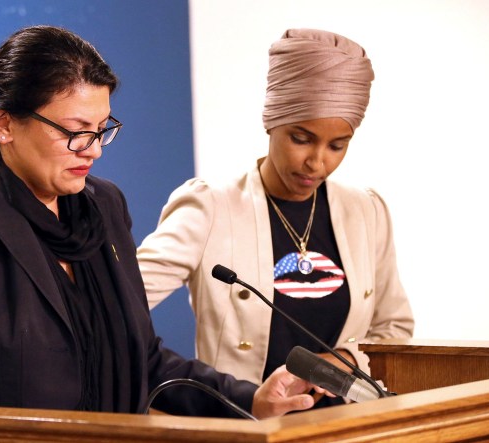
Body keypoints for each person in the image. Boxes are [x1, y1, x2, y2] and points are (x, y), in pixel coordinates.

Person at [0, 25, 324, 443]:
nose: (94, 150)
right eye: (75, 131)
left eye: (102, 130)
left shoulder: (104, 206)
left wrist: (251, 402)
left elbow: (142, 360)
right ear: (4, 124)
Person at [137, 29, 415, 407]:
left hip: (349, 422)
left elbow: (393, 327)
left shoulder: (365, 210)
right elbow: (118, 302)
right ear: (271, 121)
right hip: (247, 422)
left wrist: (347, 358)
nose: (317, 162)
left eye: (337, 145)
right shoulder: (211, 207)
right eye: (301, 138)